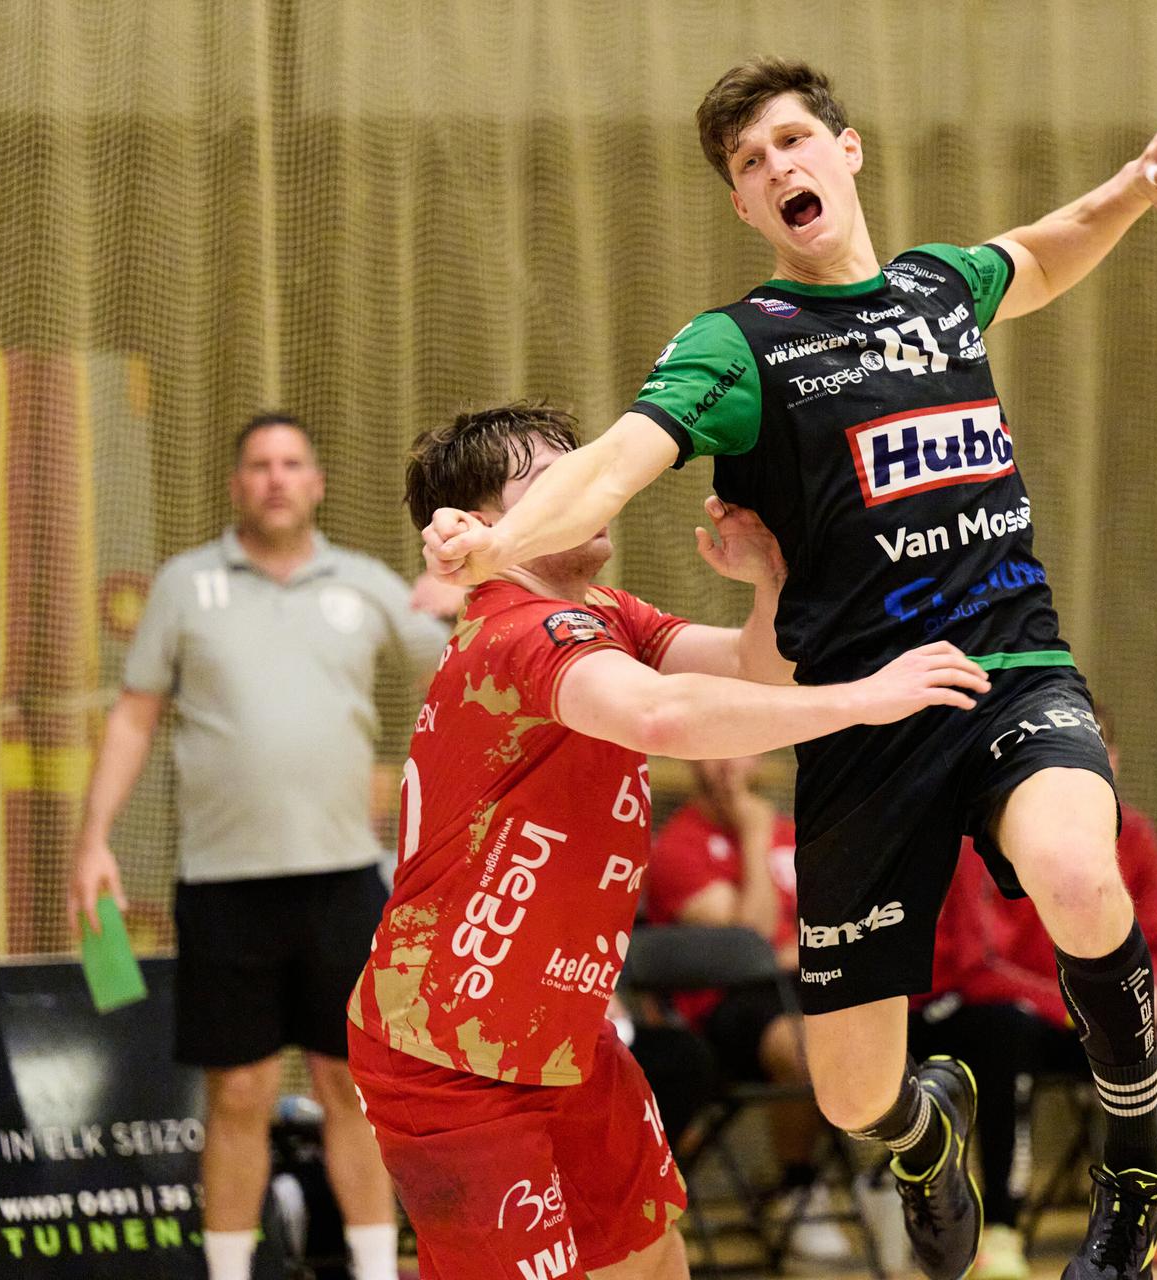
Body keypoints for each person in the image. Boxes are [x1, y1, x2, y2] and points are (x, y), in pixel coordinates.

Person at [420, 58, 1157, 1280]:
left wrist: (1128, 187)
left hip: (1006, 662)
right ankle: (924, 1124)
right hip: (858, 718)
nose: (779, 166)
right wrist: (497, 544)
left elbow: (1043, 256)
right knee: (851, 1092)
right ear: (741, 203)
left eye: (794, 141)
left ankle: (1135, 1179)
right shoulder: (738, 345)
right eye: (750, 161)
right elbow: (616, 465)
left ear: (848, 152)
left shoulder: (943, 286)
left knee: (1072, 863)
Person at [346, 403, 990, 1280]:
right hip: (450, 1050)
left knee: (651, 1259)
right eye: (549, 479)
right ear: (491, 527)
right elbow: (663, 714)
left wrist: (768, 581)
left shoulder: (598, 612)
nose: (589, 486)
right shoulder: (518, 632)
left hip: (564, 1036)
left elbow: (755, 669)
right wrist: (864, 701)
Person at [66, 412, 462, 1280]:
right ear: (238, 484)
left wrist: (478, 585)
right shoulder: (184, 586)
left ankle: (374, 1269)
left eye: (292, 463)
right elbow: (135, 716)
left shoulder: (363, 585)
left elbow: (466, 668)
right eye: (259, 465)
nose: (276, 478)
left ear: (316, 484)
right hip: (222, 885)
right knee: (237, 1093)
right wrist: (92, 838)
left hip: (343, 884)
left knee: (349, 1090)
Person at [913, 713, 1157, 1278]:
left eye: (1100, 748)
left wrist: (1154, 995)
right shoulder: (983, 837)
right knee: (1001, 1029)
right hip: (1008, 1014)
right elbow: (980, 965)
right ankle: (1003, 1225)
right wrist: (1085, 1010)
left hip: (1089, 1017)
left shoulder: (1136, 834)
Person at [642, 753, 849, 1261]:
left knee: (882, 1035)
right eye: (711, 751)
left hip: (805, 984)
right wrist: (754, 836)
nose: (725, 766)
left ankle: (881, 1178)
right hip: (721, 1006)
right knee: (803, 1047)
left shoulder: (795, 835)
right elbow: (748, 941)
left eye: (737, 750)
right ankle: (798, 1185)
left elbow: (839, 930)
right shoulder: (677, 847)